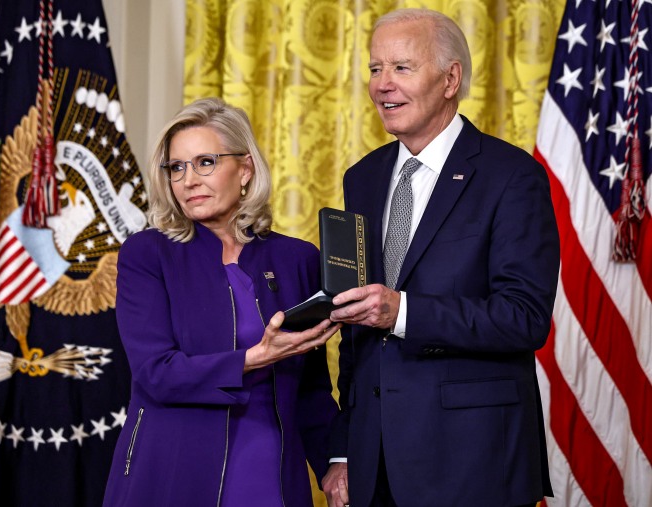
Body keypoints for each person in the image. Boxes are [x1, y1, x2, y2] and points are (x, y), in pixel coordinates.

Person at [322, 8, 559, 507]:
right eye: (374, 69)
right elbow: (356, 325)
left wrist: (402, 311)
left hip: (471, 463)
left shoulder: (512, 176)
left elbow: (525, 317)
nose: (382, 85)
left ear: (451, 78)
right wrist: (344, 449)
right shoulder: (361, 177)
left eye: (401, 68)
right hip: (375, 462)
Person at [102, 97, 341, 507]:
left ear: (245, 169)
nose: (189, 180)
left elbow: (312, 387)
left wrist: (335, 462)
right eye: (177, 167)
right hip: (170, 470)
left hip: (269, 471)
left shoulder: (297, 259)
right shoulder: (146, 254)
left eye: (205, 162)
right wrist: (253, 358)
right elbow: (155, 373)